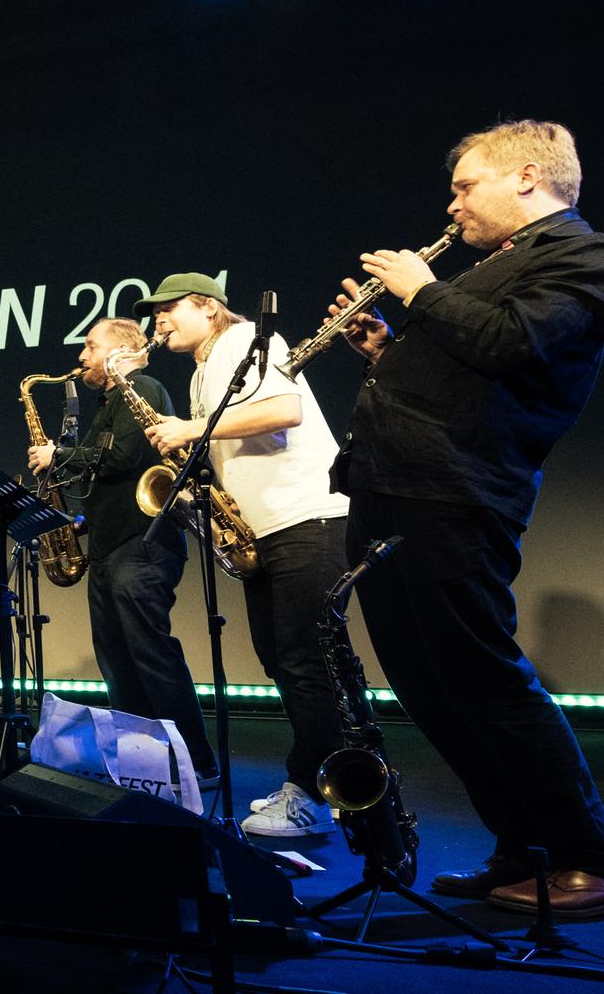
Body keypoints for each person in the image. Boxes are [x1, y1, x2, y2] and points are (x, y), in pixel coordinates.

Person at [329, 120, 604, 917]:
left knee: (482, 678)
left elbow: (517, 345)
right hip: (391, 489)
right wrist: (389, 345)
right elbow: (470, 367)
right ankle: (522, 849)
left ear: (530, 179)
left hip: (455, 492)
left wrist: (422, 291)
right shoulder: (496, 265)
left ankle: (597, 861)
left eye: (467, 185)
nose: (454, 202)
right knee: (431, 688)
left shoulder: (590, 254)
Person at [133, 274, 350, 838]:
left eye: (168, 308)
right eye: (153, 313)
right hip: (267, 528)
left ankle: (314, 795)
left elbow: (284, 409)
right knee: (283, 661)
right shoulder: (207, 369)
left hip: (305, 517)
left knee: (306, 664)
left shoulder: (243, 340)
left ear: (208, 307)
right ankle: (321, 782)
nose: (158, 320)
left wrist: (188, 429)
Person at [28, 318, 218, 786]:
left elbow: (123, 458)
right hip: (114, 543)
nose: (82, 356)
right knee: (116, 656)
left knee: (149, 651)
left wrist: (60, 456)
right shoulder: (108, 402)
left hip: (144, 543)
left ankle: (197, 762)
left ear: (121, 351)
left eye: (91, 346)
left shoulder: (144, 386)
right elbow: (113, 478)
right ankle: (143, 761)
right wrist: (80, 523)